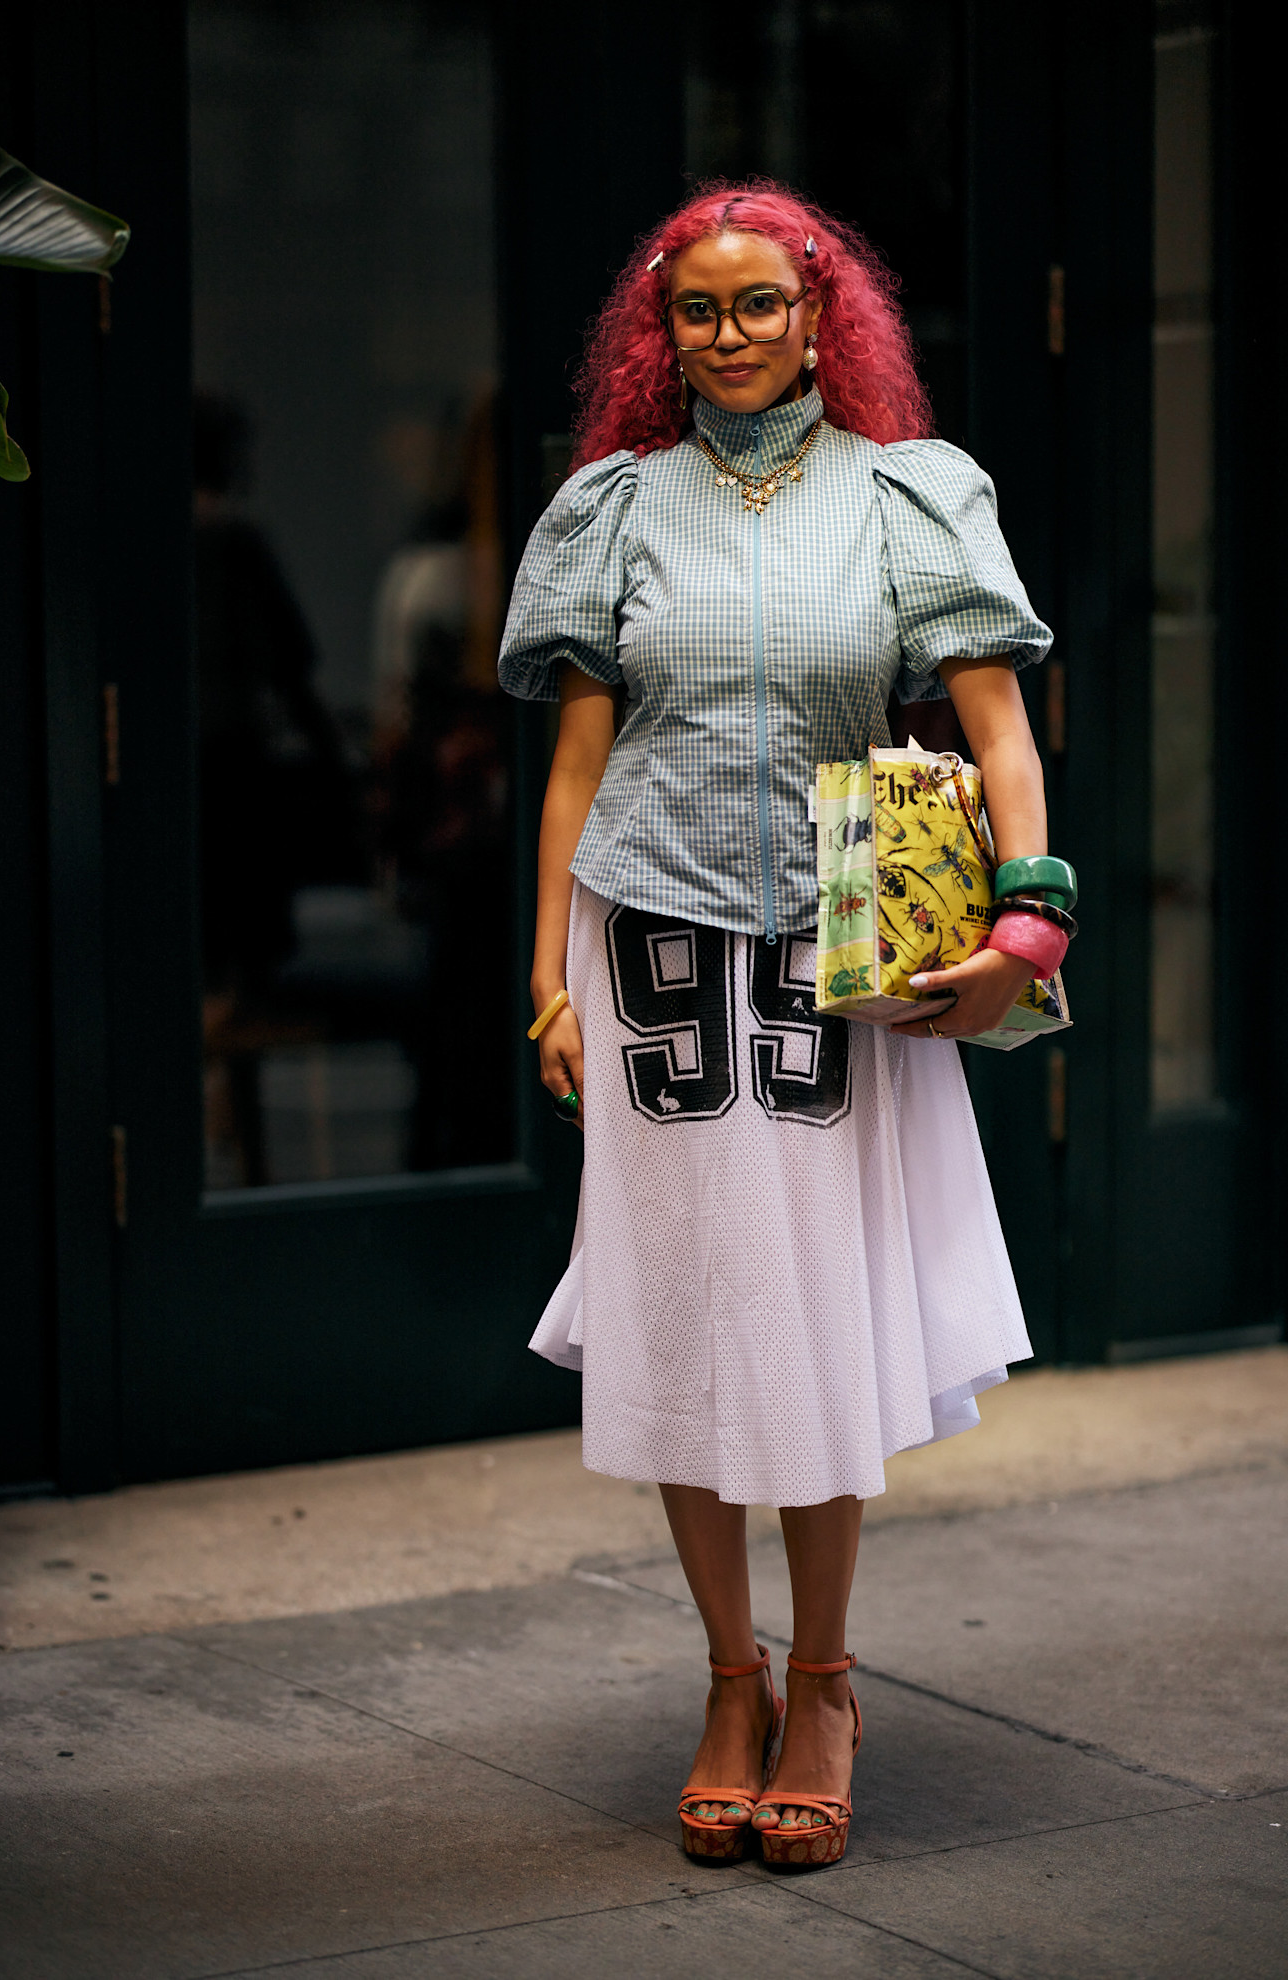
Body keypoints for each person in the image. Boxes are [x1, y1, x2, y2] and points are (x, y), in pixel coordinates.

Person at [498, 182, 1062, 1869]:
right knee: (684, 1315)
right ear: (657, 335)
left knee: (806, 1319)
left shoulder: (910, 495)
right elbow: (578, 772)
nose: (729, 336)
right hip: (648, 936)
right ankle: (725, 1679)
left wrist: (1030, 922)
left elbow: (999, 733)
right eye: (697, 312)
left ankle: (822, 1681)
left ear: (822, 321)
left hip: (849, 936)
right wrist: (545, 975)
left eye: (760, 306)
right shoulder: (610, 509)